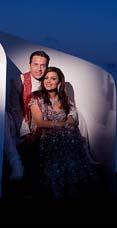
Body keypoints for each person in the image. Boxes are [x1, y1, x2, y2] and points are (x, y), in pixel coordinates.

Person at [27, 67, 96, 200]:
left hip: (65, 135)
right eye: (46, 78)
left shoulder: (64, 99)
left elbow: (72, 112)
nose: (48, 81)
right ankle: (56, 184)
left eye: (53, 78)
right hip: (43, 135)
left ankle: (70, 181)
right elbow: (40, 123)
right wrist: (63, 124)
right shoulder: (36, 98)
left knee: (72, 136)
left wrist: (70, 117)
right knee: (63, 137)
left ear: (59, 82)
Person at [4, 50, 50, 181]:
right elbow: (16, 109)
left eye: (43, 65)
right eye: (36, 64)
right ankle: (16, 163)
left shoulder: (50, 80)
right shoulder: (19, 81)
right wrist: (26, 133)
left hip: (42, 121)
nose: (39, 69)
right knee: (3, 118)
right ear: (30, 65)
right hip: (22, 122)